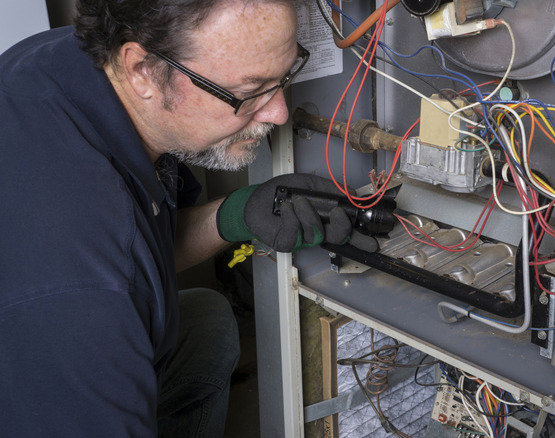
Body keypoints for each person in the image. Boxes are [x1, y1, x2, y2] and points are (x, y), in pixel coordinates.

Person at [0, 0, 372, 436]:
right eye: (250, 91)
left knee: (207, 324)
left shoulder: (71, 60)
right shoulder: (84, 288)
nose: (279, 113)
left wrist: (239, 213)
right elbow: (113, 267)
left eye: (285, 75)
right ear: (142, 70)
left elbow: (149, 246)